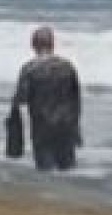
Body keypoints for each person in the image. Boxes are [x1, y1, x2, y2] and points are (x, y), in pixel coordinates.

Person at [10, 26, 83, 172]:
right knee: (68, 171)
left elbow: (21, 98)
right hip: (66, 126)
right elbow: (76, 100)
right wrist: (76, 129)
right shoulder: (68, 66)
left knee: (46, 171)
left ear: (33, 44)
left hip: (42, 127)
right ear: (52, 44)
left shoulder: (29, 68)